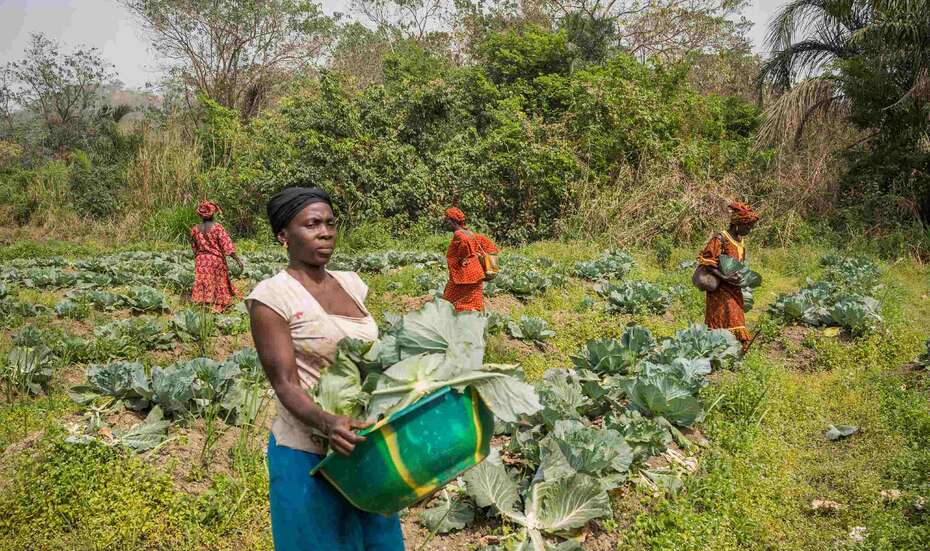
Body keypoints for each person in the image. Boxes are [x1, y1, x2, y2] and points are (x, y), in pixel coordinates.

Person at [246, 187, 405, 551]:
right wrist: (328, 423)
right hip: (308, 454)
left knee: (379, 543)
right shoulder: (272, 297)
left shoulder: (351, 284)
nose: (325, 233)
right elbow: (285, 384)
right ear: (283, 236)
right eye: (312, 224)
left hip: (364, 448)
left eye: (330, 223)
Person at [697, 201, 760, 352]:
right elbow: (707, 262)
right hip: (720, 290)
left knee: (736, 318)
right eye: (747, 227)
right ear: (737, 224)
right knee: (721, 319)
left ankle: (735, 353)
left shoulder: (740, 241)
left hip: (735, 289)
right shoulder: (720, 238)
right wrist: (724, 278)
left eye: (751, 227)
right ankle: (718, 352)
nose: (749, 230)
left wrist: (744, 278)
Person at [442, 207, 499, 312]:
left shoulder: (459, 234)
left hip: (464, 277)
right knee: (472, 304)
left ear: (454, 221)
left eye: (447, 221)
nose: (445, 223)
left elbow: (464, 242)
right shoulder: (468, 232)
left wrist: (463, 258)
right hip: (476, 275)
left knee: (449, 303)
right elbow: (486, 243)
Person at [190, 200, 243, 313]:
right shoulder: (217, 227)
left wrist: (199, 258)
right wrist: (238, 260)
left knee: (204, 281)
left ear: (200, 214)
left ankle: (204, 303)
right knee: (219, 282)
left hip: (201, 261)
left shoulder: (195, 229)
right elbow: (227, 245)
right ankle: (218, 304)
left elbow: (194, 247)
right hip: (215, 260)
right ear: (212, 213)